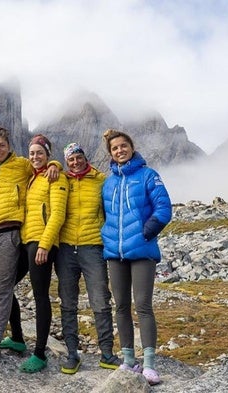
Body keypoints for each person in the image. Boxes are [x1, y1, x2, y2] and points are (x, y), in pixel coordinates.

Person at [0, 126, 59, 360]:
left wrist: (56, 165)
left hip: (9, 233)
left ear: (9, 147)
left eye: (2, 146)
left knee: (4, 288)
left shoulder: (22, 165)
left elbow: (43, 164)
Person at [100, 129, 172, 386]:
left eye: (123, 146)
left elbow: (164, 208)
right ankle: (129, 360)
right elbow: (103, 215)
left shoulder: (148, 176)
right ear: (110, 153)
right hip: (115, 253)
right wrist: (106, 237)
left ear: (131, 147)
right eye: (115, 148)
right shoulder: (108, 183)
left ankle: (150, 365)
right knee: (120, 306)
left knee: (142, 305)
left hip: (141, 251)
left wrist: (146, 233)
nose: (120, 151)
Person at [54, 142, 120, 375]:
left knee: (100, 299)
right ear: (65, 161)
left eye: (78, 157)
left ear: (85, 157)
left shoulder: (100, 180)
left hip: (93, 246)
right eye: (70, 159)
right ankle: (72, 354)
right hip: (65, 248)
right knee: (68, 301)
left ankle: (107, 353)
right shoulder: (62, 179)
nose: (75, 162)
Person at [14, 134, 68, 373]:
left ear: (48, 155)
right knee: (4, 286)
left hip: (41, 242)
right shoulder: (32, 177)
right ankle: (17, 338)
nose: (35, 157)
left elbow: (57, 214)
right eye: (32, 153)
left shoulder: (55, 178)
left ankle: (39, 354)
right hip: (25, 241)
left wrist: (45, 244)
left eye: (40, 153)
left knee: (40, 296)